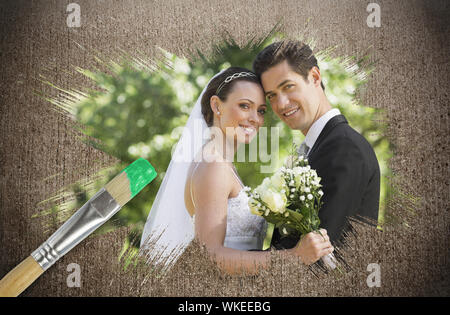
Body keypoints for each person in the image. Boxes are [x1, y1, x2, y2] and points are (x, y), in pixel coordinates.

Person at [140, 67, 334, 274]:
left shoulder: (221, 163)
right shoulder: (213, 166)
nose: (255, 119)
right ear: (216, 105)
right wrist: (294, 257)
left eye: (260, 111)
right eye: (244, 106)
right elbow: (210, 256)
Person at [253, 40, 380, 249]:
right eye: (272, 96)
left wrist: (235, 263)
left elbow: (324, 257)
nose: (281, 104)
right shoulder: (318, 147)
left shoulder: (345, 149)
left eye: (288, 87)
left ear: (314, 77)